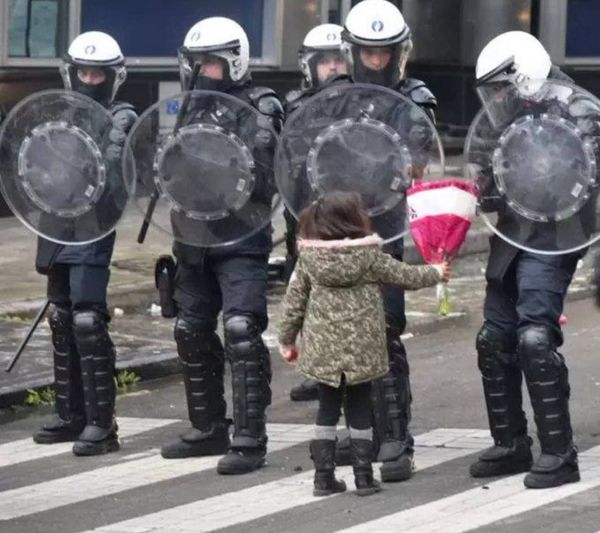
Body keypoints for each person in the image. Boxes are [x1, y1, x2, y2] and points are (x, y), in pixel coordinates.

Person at [469, 31, 600, 488]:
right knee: (494, 338)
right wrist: (475, 189)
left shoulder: (578, 111)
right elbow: (486, 167)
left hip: (556, 234)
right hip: (512, 234)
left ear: (523, 76)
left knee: (534, 337)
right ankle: (510, 444)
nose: (496, 98)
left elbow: (589, 179)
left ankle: (559, 454)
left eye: (501, 87)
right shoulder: (507, 114)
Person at [159, 17, 284, 476]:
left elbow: (263, 175)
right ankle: (208, 426)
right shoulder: (189, 107)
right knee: (190, 329)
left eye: (210, 62)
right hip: (193, 237)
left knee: (241, 331)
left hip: (240, 238)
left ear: (234, 61)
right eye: (196, 63)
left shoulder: (260, 106)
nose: (201, 71)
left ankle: (250, 438)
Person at [278, 191, 449, 496]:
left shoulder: (308, 260)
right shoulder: (370, 257)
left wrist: (286, 341)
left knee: (326, 411)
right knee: (359, 409)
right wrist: (436, 272)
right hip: (363, 351)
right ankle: (364, 477)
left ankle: (323, 477)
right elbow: (405, 276)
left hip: (323, 352)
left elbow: (294, 304)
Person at [334, 0, 438, 482]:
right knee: (344, 332)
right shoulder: (334, 97)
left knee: (385, 328)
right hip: (340, 226)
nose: (376, 61)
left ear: (398, 53)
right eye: (368, 53)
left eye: (384, 53)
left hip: (387, 225)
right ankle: (361, 432)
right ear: (354, 52)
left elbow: (418, 155)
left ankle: (396, 439)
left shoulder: (415, 98)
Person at [32, 31, 137, 456]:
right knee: (60, 316)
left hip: (94, 224)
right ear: (71, 73)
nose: (90, 80)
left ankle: (101, 423)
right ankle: (70, 413)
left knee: (88, 320)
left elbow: (112, 165)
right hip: (55, 222)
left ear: (113, 76)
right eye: (84, 73)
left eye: (99, 74)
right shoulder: (55, 111)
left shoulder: (121, 115)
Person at [284, 23, 349, 402]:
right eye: (325, 61)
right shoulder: (294, 105)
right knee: (308, 292)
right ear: (310, 65)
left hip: (347, 215)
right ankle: (319, 369)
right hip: (304, 211)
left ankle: (348, 372)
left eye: (339, 59)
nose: (333, 67)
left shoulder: (360, 103)